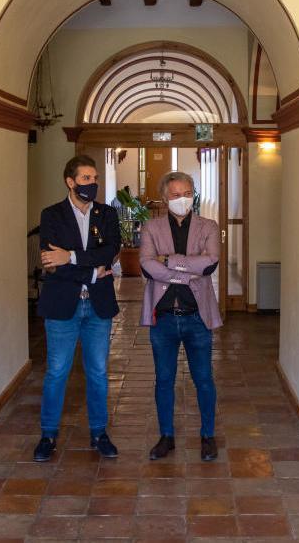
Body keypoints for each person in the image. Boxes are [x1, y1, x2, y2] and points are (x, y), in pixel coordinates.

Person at [33, 155, 121, 462]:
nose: (92, 184)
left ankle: (99, 433)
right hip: (62, 306)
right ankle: (48, 434)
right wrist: (93, 271)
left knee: (98, 372)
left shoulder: (107, 214)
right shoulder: (52, 215)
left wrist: (70, 257)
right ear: (70, 182)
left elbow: (110, 251)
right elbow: (49, 263)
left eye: (94, 178)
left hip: (97, 307)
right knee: (57, 372)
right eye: (85, 179)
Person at [139, 171, 221, 462]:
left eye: (187, 193)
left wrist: (169, 263)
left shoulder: (208, 226)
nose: (182, 199)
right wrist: (189, 269)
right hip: (163, 318)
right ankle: (166, 436)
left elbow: (210, 264)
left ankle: (208, 435)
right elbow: (147, 266)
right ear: (165, 198)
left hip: (197, 316)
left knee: (204, 379)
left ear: (194, 194)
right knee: (164, 380)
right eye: (175, 195)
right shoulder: (151, 227)